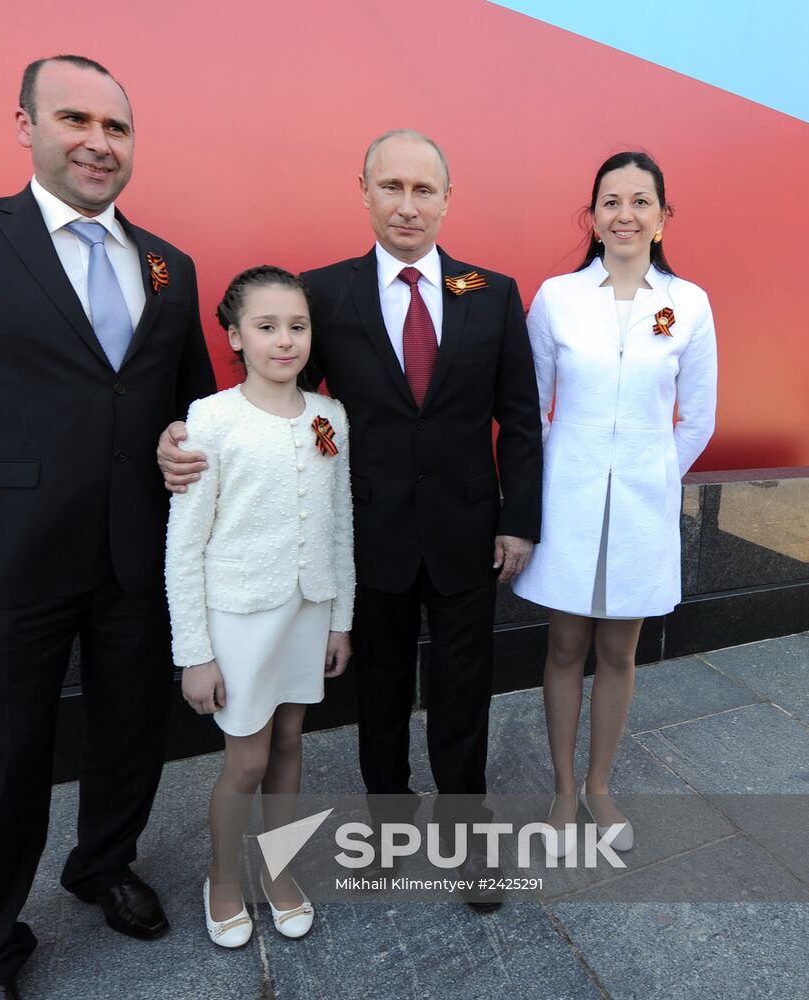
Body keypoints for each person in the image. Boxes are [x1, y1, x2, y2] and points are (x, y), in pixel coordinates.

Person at [0, 55, 215, 999]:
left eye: (117, 127)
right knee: (5, 754)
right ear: (24, 125)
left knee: (131, 730)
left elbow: (192, 406)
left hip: (141, 550)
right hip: (13, 552)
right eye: (75, 119)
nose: (98, 143)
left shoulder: (168, 265)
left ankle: (102, 864)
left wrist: (194, 448)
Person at [159, 130, 542, 905]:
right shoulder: (324, 294)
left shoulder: (494, 293)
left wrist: (520, 521)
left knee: (465, 692)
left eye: (423, 189)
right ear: (363, 190)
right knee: (383, 691)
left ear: (447, 198)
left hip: (470, 532)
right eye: (391, 187)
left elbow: (522, 419)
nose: (407, 205)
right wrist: (186, 432)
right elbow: (285, 398)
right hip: (371, 537)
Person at [512, 151, 717, 857]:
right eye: (610, 201)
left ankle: (600, 784)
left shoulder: (686, 304)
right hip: (567, 502)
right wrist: (559, 474)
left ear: (663, 217)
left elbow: (699, 417)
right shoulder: (557, 298)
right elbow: (531, 407)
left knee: (619, 651)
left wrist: (654, 473)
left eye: (640, 201)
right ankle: (564, 787)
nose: (624, 214)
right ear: (592, 216)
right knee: (565, 645)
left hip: (640, 506)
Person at [165, 266, 354, 947]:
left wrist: (340, 619)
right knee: (244, 762)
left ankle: (279, 871)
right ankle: (221, 876)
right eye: (266, 327)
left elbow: (340, 523)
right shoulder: (210, 419)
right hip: (239, 618)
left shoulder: (330, 418)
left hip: (308, 612)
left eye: (297, 327)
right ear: (234, 335)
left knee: (289, 746)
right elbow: (183, 547)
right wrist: (195, 653)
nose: (284, 341)